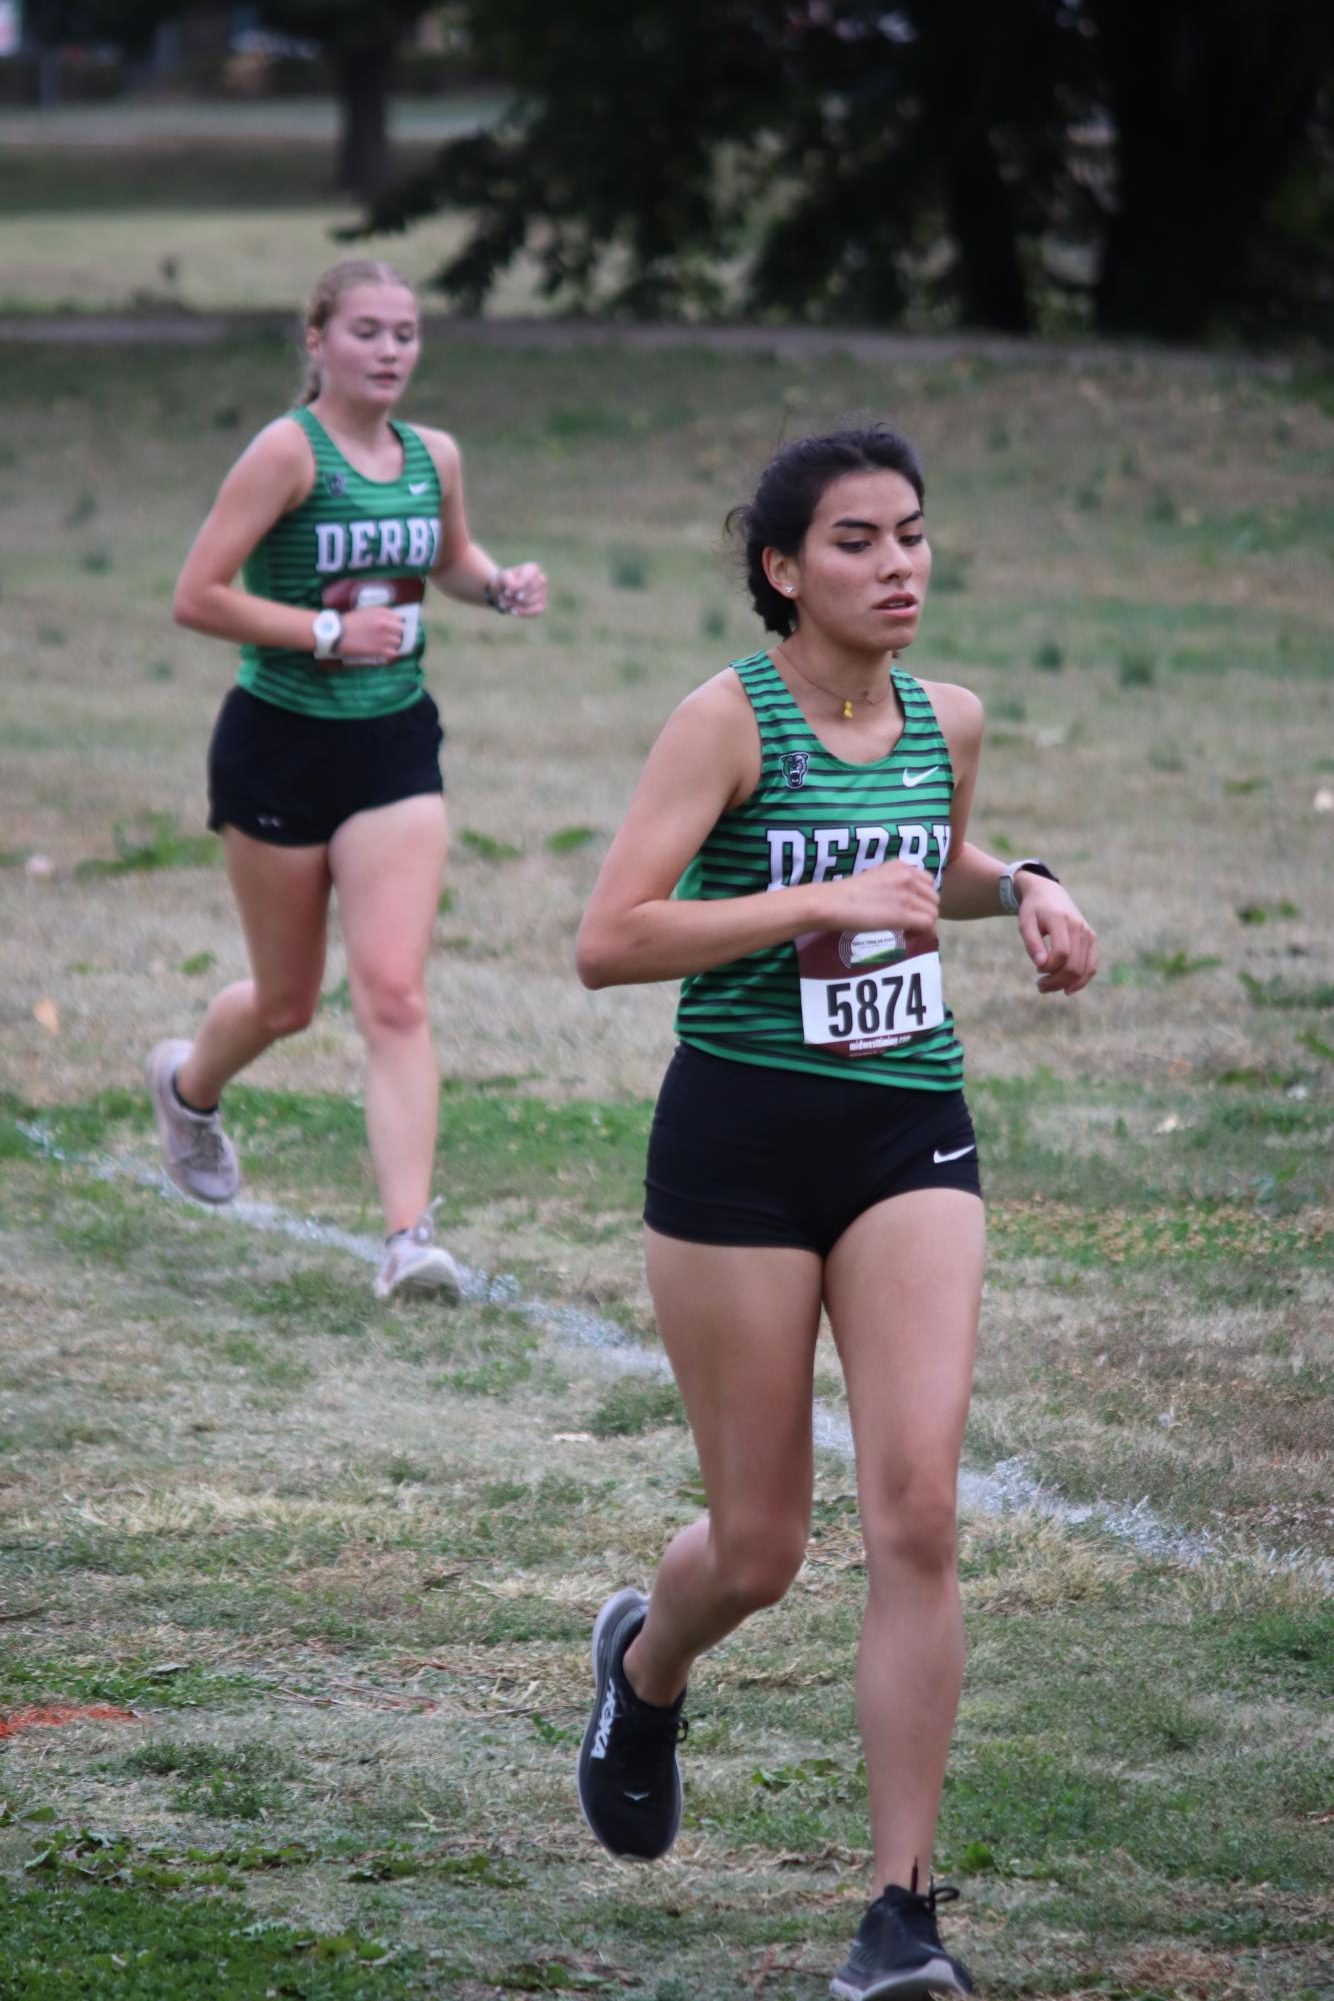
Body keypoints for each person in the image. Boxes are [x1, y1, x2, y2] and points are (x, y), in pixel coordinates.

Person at [573, 426, 1097, 1998]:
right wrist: (813, 902)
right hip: (737, 1149)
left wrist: (1030, 889)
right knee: (757, 1546)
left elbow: (922, 857)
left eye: (914, 537)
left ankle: (899, 1915)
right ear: (781, 570)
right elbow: (611, 936)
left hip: (904, 1131)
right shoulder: (721, 722)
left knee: (916, 1512)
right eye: (859, 542)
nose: (899, 568)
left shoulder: (949, 715)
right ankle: (644, 1665)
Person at [146, 258, 547, 1300]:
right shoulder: (288, 452)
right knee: (286, 1003)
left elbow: (446, 561)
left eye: (405, 334)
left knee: (396, 995)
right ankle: (188, 1091)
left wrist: (495, 586)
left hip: (392, 748)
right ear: (317, 341)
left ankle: (408, 1241)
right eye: (365, 331)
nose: (388, 352)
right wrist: (325, 629)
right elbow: (198, 594)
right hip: (276, 743)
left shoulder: (433, 455)